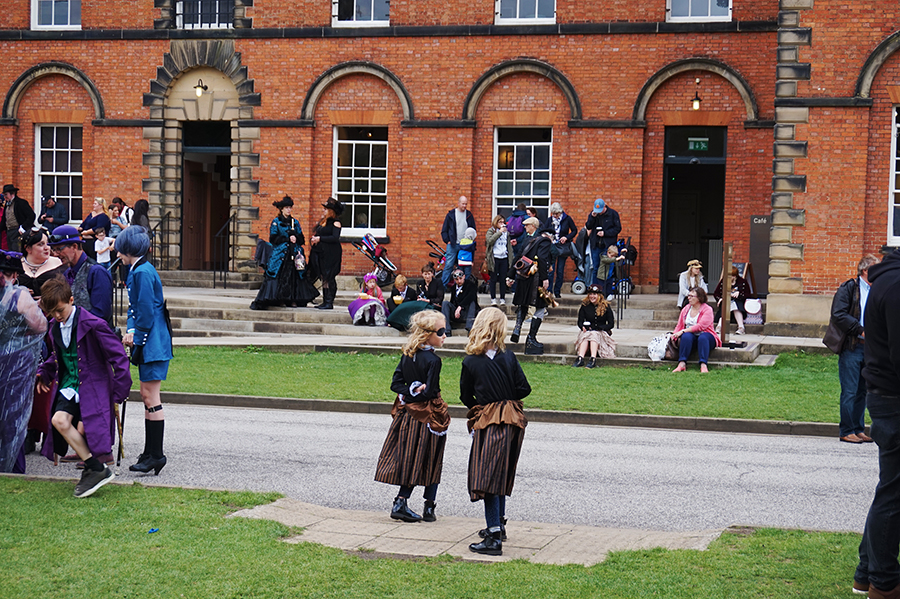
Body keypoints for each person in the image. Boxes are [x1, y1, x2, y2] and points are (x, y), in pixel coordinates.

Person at [35, 277, 129, 496]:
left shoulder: (94, 324)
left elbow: (119, 358)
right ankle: (95, 468)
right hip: (68, 384)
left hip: (92, 387)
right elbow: (56, 357)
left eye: (60, 310)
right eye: (52, 312)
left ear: (71, 300)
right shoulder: (54, 327)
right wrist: (44, 373)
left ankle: (95, 468)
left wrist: (120, 390)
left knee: (89, 429)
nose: (57, 316)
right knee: (59, 420)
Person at [460, 308, 531, 556]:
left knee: (486, 475)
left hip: (489, 419)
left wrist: (481, 407)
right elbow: (524, 388)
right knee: (500, 473)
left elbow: (464, 395)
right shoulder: (508, 357)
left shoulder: (470, 361)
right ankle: (498, 524)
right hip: (512, 419)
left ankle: (492, 536)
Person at [854, 248, 900, 599]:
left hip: (885, 397)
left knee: (890, 490)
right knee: (894, 494)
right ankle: (883, 584)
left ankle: (867, 573)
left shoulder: (886, 282)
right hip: (893, 400)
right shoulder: (896, 285)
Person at [374, 310, 450, 523]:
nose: (445, 335)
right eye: (441, 331)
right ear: (427, 334)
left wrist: (410, 390)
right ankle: (427, 506)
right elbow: (431, 391)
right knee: (432, 457)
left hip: (408, 414)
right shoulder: (433, 360)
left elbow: (396, 384)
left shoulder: (408, 354)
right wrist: (420, 389)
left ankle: (403, 501)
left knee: (411, 457)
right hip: (429, 415)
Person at [116, 225, 173, 476]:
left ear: (128, 250)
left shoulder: (141, 272)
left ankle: (156, 455)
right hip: (150, 341)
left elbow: (147, 313)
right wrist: (131, 329)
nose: (118, 254)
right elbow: (134, 309)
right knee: (147, 396)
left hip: (154, 343)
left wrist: (136, 337)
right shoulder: (138, 269)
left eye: (120, 250)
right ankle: (150, 453)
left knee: (151, 398)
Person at [0, 250, 47, 473]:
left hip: (16, 364)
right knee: (12, 413)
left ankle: (12, 466)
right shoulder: (19, 295)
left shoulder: (19, 295)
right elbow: (39, 326)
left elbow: (40, 328)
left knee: (13, 414)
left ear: (15, 276)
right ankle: (11, 467)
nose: (3, 276)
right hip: (16, 362)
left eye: (6, 272)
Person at [830, 255, 879, 444]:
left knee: (862, 391)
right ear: (865, 270)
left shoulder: (876, 289)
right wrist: (860, 330)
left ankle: (858, 429)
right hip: (852, 347)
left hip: (870, 349)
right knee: (849, 391)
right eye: (876, 268)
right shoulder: (849, 288)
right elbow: (838, 314)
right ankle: (846, 430)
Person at [250, 196, 319, 310]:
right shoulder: (276, 222)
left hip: (294, 253)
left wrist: (295, 237)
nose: (288, 210)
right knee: (279, 275)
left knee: (295, 276)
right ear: (281, 209)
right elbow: (273, 239)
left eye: (290, 208)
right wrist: (287, 238)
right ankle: (280, 298)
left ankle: (293, 299)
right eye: (286, 208)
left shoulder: (295, 222)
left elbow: (302, 239)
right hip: (281, 254)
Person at [47, 225, 113, 329]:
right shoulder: (66, 274)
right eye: (53, 250)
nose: (55, 254)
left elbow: (101, 314)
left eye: (59, 249)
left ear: (74, 246)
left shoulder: (96, 272)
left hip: (96, 340)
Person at [508, 216, 552, 355]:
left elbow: (518, 257)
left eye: (527, 225)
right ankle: (531, 338)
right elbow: (543, 260)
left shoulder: (529, 240)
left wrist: (511, 274)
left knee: (523, 304)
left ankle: (518, 328)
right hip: (535, 280)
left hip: (524, 277)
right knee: (540, 307)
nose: (525, 227)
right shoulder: (543, 241)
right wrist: (545, 279)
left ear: (534, 225)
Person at [672, 286, 721, 373]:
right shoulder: (686, 309)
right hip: (692, 338)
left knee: (703, 337)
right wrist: (674, 334)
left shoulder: (707, 309)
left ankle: (703, 365)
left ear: (699, 298)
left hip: (707, 337)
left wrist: (683, 331)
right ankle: (682, 364)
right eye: (688, 295)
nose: (689, 298)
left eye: (692, 296)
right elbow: (679, 325)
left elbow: (700, 327)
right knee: (686, 336)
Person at [310, 197, 343, 310]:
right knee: (324, 277)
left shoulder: (336, 223)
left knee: (329, 277)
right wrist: (315, 239)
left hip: (332, 254)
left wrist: (320, 238)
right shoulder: (324, 222)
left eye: (326, 209)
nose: (323, 211)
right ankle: (325, 301)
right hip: (322, 253)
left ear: (331, 211)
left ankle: (329, 301)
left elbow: (335, 237)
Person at [573, 284, 616, 368]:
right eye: (590, 294)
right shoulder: (584, 306)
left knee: (594, 334)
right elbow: (580, 322)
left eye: (594, 294)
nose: (592, 296)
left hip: (600, 332)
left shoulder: (606, 306)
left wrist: (601, 328)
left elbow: (611, 324)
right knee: (586, 335)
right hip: (588, 332)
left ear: (599, 296)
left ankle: (593, 359)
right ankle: (580, 358)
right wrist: (583, 327)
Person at [19, 228, 66, 299]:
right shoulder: (17, 265)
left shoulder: (58, 263)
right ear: (28, 248)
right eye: (41, 244)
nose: (47, 248)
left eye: (47, 243)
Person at [584, 198, 622, 287]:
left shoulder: (613, 214)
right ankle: (595, 289)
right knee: (595, 268)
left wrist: (605, 233)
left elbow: (617, 229)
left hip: (608, 245)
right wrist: (592, 217)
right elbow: (588, 226)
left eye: (600, 210)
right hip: (596, 244)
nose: (599, 212)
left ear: (605, 206)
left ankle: (606, 290)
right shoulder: (594, 214)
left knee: (608, 268)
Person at [440, 195, 476, 287]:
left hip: (465, 246)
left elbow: (473, 229)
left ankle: (462, 288)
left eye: (466, 204)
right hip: (452, 244)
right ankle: (442, 288)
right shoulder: (451, 214)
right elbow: (444, 230)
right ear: (458, 203)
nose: (465, 206)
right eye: (463, 204)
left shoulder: (469, 215)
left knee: (463, 267)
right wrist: (447, 240)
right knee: (448, 266)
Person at [546, 202, 578, 299]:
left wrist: (566, 237)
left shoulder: (567, 219)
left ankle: (557, 291)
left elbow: (574, 230)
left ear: (561, 212)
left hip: (563, 247)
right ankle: (549, 291)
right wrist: (548, 236)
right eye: (553, 214)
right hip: (552, 247)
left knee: (560, 270)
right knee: (551, 270)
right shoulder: (549, 220)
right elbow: (543, 230)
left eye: (557, 214)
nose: (555, 216)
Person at [714, 266, 752, 336]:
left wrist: (739, 294)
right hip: (726, 302)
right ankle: (720, 326)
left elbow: (748, 294)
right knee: (727, 305)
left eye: (731, 276)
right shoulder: (723, 281)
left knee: (734, 305)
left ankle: (740, 327)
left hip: (738, 303)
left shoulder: (743, 282)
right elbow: (716, 293)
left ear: (735, 276)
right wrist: (720, 298)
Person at [485, 215, 513, 306]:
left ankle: (502, 298)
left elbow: (508, 246)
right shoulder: (491, 231)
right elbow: (489, 241)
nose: (502, 224)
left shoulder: (506, 233)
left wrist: (510, 259)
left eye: (503, 222)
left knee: (503, 279)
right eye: (500, 222)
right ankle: (493, 298)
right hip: (494, 258)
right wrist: (499, 233)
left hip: (503, 257)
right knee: (493, 279)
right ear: (496, 223)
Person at [442, 269, 479, 336]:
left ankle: (470, 328)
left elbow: (471, 296)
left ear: (464, 277)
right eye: (456, 279)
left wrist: (460, 307)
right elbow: (452, 301)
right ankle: (447, 330)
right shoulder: (453, 288)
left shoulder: (471, 285)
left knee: (472, 302)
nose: (459, 281)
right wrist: (456, 310)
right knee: (445, 303)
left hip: (467, 312)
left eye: (460, 278)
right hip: (457, 314)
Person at [2, 184, 36, 253]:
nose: (5, 197)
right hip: (9, 232)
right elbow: (4, 220)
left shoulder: (21, 203)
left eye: (6, 195)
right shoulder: (7, 205)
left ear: (12, 194)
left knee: (17, 253)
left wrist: (23, 227)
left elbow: (31, 216)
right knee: (10, 252)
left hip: (18, 232)